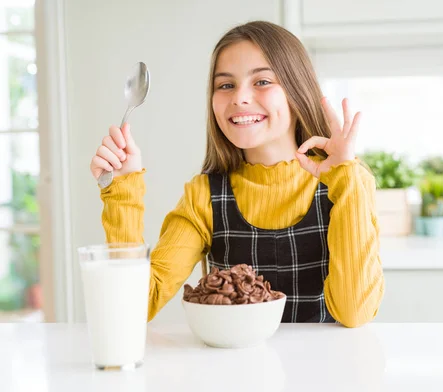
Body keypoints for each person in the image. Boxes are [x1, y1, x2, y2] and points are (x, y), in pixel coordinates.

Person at [90, 20, 384, 327]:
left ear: (297, 91)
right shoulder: (204, 195)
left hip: (326, 373)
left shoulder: (347, 181)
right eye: (225, 85)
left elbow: (353, 313)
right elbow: (136, 305)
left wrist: (347, 178)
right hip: (232, 373)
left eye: (262, 82)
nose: (239, 98)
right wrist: (123, 190)